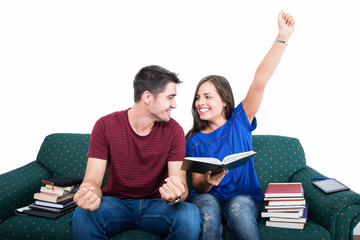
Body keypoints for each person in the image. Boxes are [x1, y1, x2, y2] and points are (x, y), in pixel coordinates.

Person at [186, 11, 296, 240]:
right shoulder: (194, 140)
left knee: (238, 211)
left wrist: (282, 37)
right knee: (207, 211)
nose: (200, 103)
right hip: (209, 197)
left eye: (207, 97)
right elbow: (197, 185)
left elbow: (260, 81)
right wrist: (208, 181)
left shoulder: (240, 121)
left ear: (225, 101)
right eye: (197, 98)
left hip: (244, 198)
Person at [70, 65, 201, 240]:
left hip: (158, 205)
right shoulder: (105, 125)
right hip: (116, 204)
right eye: (170, 97)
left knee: (189, 214)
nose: (174, 105)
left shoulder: (175, 131)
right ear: (147, 97)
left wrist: (175, 196)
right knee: (82, 215)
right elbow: (92, 180)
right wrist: (90, 193)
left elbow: (181, 186)